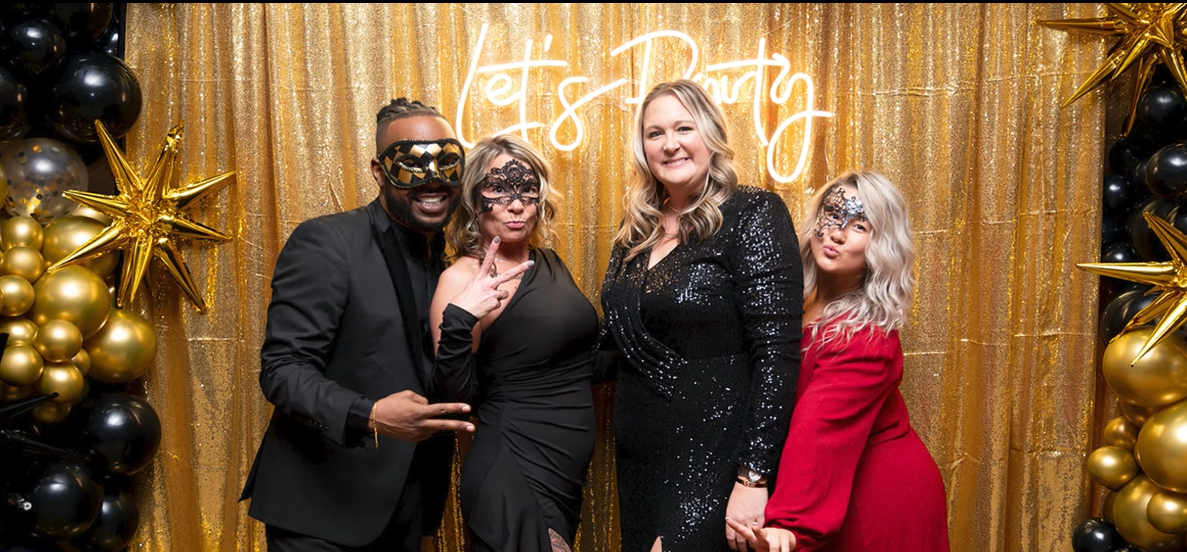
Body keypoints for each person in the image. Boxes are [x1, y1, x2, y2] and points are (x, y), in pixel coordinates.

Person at [240, 98, 514, 552]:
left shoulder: (451, 266)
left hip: (407, 507)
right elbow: (282, 370)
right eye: (411, 164)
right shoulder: (328, 241)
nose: (431, 180)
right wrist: (369, 415)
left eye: (445, 162)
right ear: (379, 171)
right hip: (321, 509)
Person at [598, 79, 804, 552]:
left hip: (714, 451)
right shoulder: (635, 231)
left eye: (683, 128)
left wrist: (753, 476)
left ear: (710, 134)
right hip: (641, 455)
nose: (669, 144)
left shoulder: (753, 212)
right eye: (655, 133)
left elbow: (777, 356)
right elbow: (617, 343)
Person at [727, 170, 950, 551]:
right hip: (826, 489)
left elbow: (818, 429)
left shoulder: (865, 338)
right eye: (832, 215)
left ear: (882, 246)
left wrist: (790, 525)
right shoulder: (790, 302)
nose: (837, 233)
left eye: (859, 226)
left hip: (877, 503)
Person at [430, 134, 600, 552]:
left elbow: (577, 360)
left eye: (527, 189)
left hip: (562, 474)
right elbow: (453, 398)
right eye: (499, 189)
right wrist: (462, 317)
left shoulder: (549, 262)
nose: (516, 203)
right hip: (513, 467)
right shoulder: (461, 278)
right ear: (473, 199)